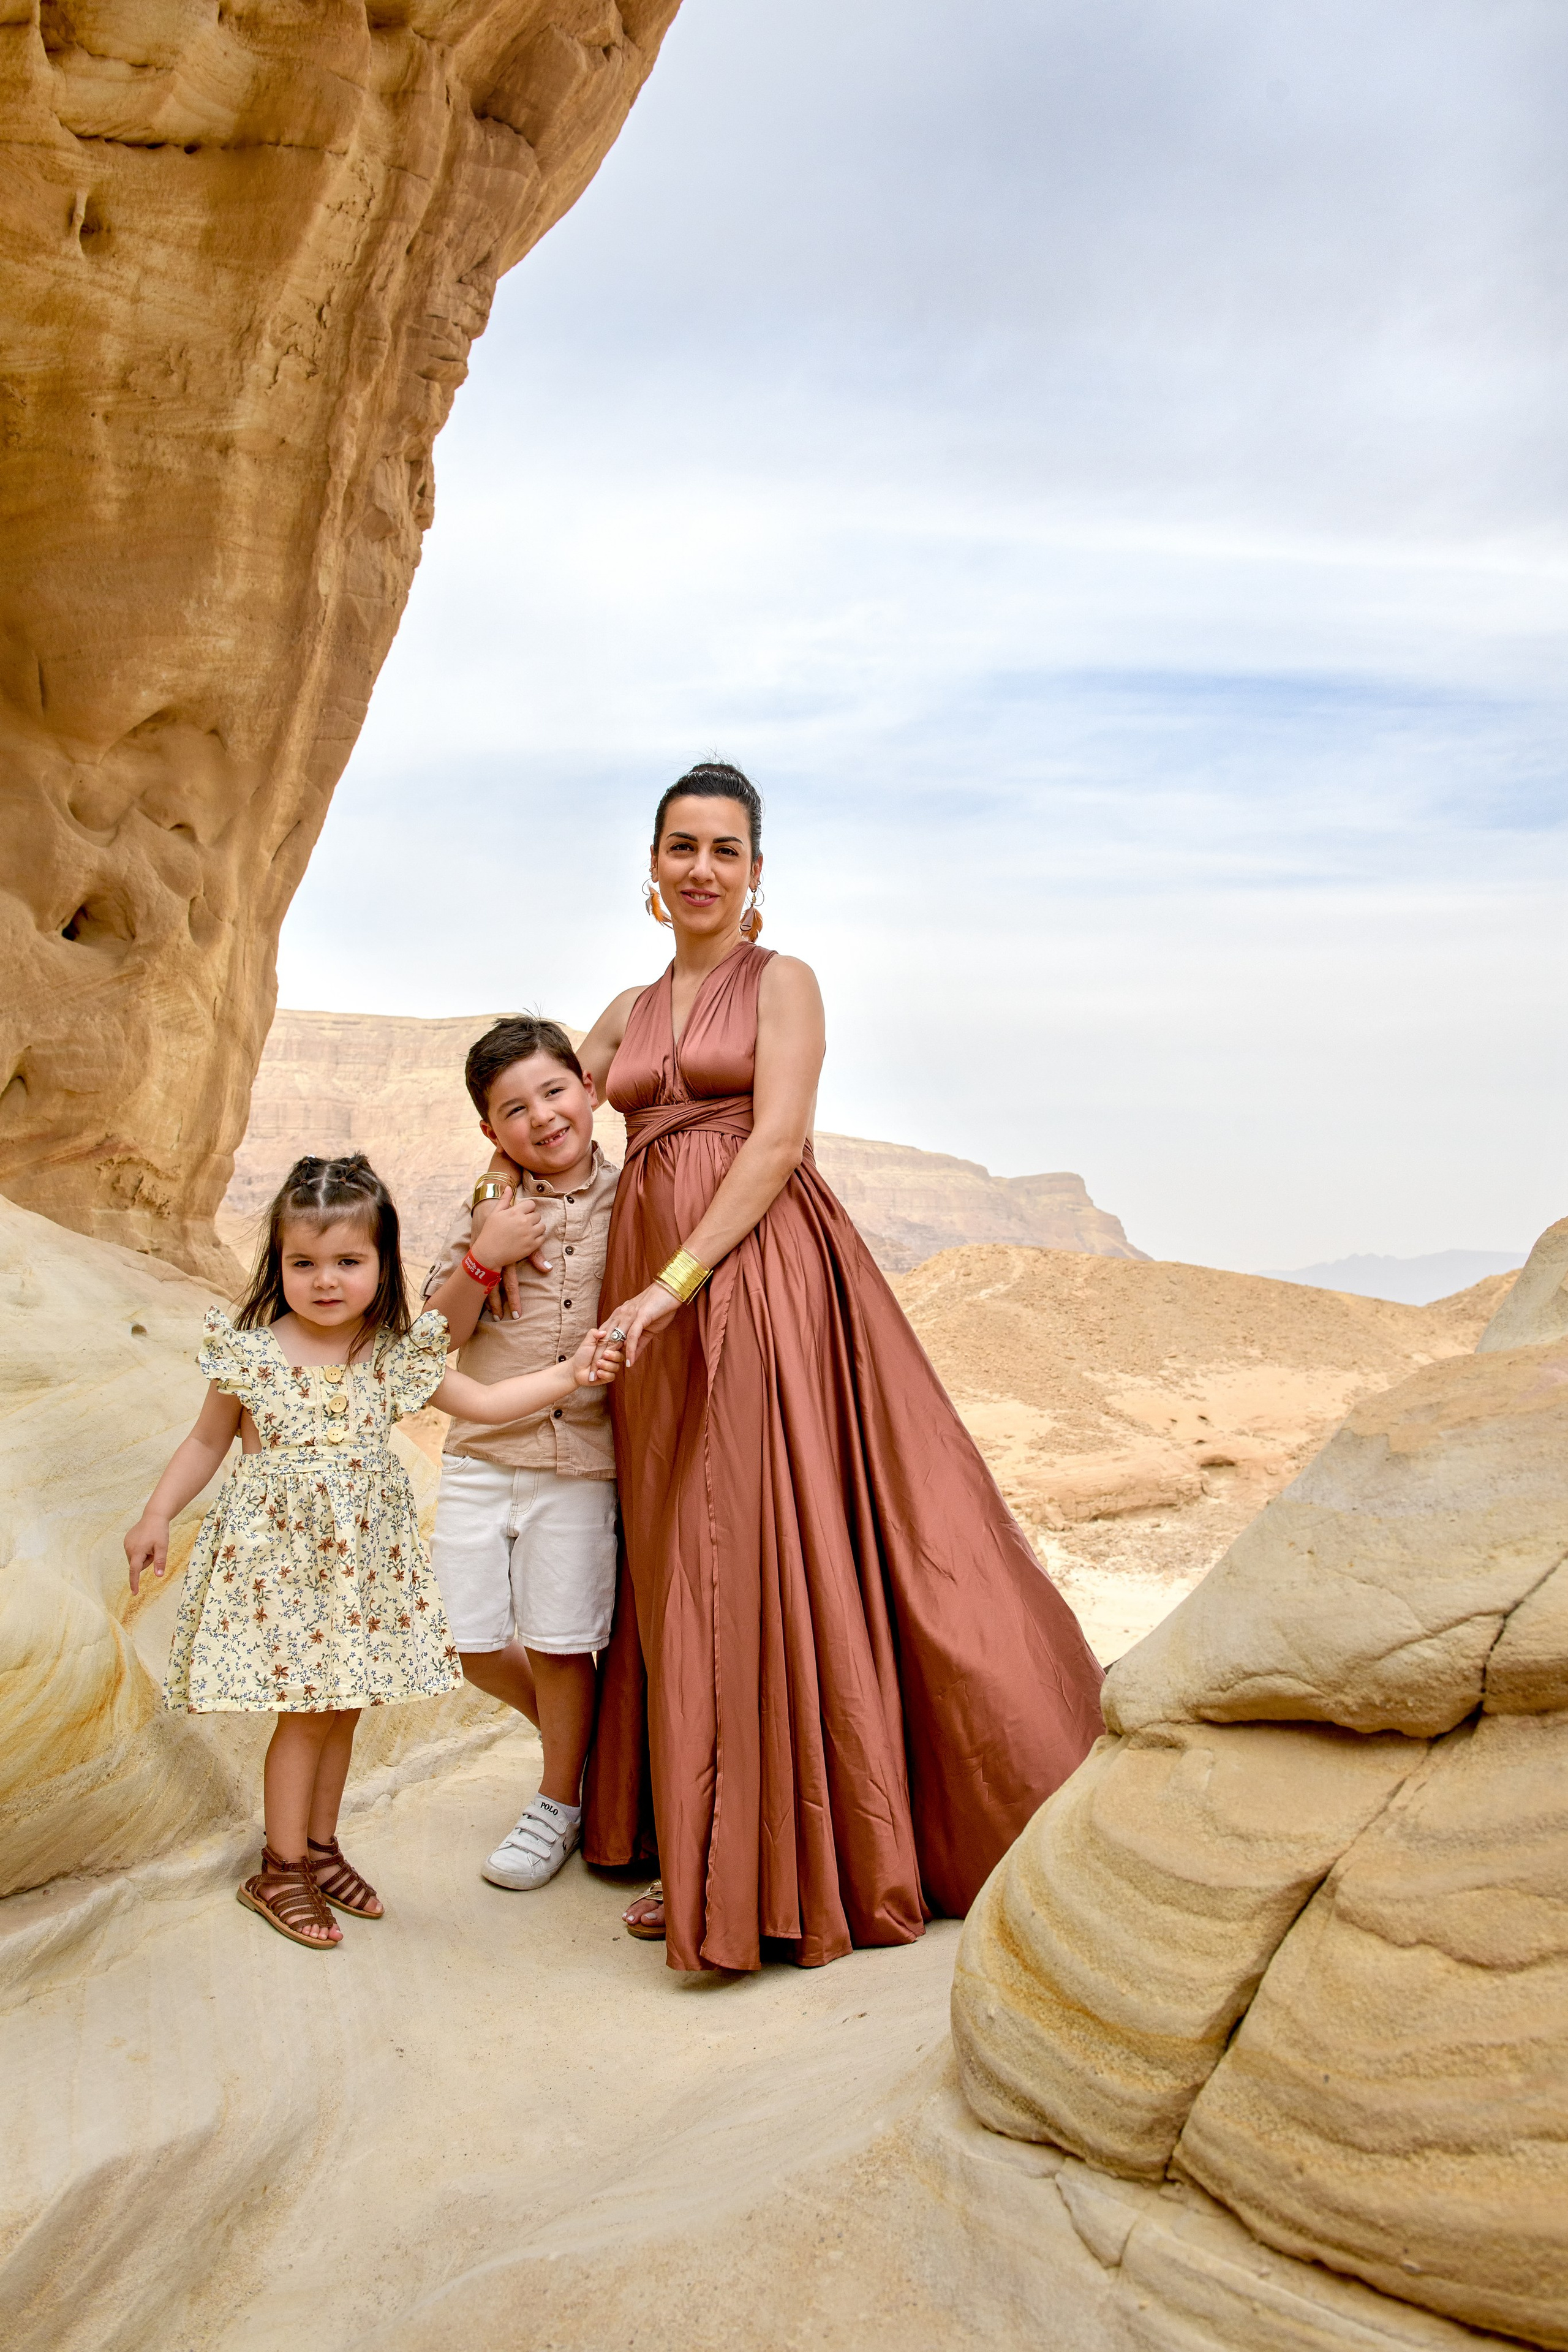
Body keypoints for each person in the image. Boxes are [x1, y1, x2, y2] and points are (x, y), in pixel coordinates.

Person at [477, 761, 1106, 1973]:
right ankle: (697, 1825)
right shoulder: (625, 1008)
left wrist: (669, 1288)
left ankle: (761, 1856)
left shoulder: (784, 983)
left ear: (756, 870)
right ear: (651, 869)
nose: (701, 868)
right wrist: (493, 1188)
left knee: (747, 1538)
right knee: (673, 1543)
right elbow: (544, 1105)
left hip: (756, 1282)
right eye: (681, 847)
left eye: (725, 849)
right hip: (648, 1298)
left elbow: (774, 1144)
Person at [126, 1152, 621, 1951]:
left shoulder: (388, 1354)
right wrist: (156, 1514)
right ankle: (279, 1867)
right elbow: (205, 1442)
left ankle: (319, 1848)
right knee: (306, 1715)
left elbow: (486, 1400)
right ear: (278, 1264)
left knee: (343, 1707)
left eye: (348, 1262)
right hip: (283, 1571)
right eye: (303, 1263)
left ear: (383, 1264)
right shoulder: (251, 1354)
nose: (325, 1281)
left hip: (357, 1573)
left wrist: (571, 1372)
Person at [422, 1017, 620, 1894]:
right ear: (489, 1131)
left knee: (561, 1642)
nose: (542, 1117)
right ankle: (594, 1757)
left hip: (580, 1463)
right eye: (514, 1109)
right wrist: (485, 1256)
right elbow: (430, 1343)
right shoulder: (488, 1211)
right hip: (480, 1457)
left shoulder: (635, 1198)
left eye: (554, 1091)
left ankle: (558, 1800)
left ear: (588, 1088)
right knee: (465, 1640)